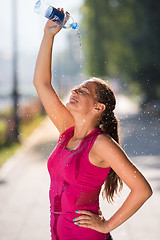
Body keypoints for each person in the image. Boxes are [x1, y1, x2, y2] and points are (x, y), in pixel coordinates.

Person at [33, 10, 153, 240]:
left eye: (84, 91)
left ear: (98, 107)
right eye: (77, 88)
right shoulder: (67, 132)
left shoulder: (101, 144)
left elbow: (142, 190)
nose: (75, 91)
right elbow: (41, 83)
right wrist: (48, 36)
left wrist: (107, 225)